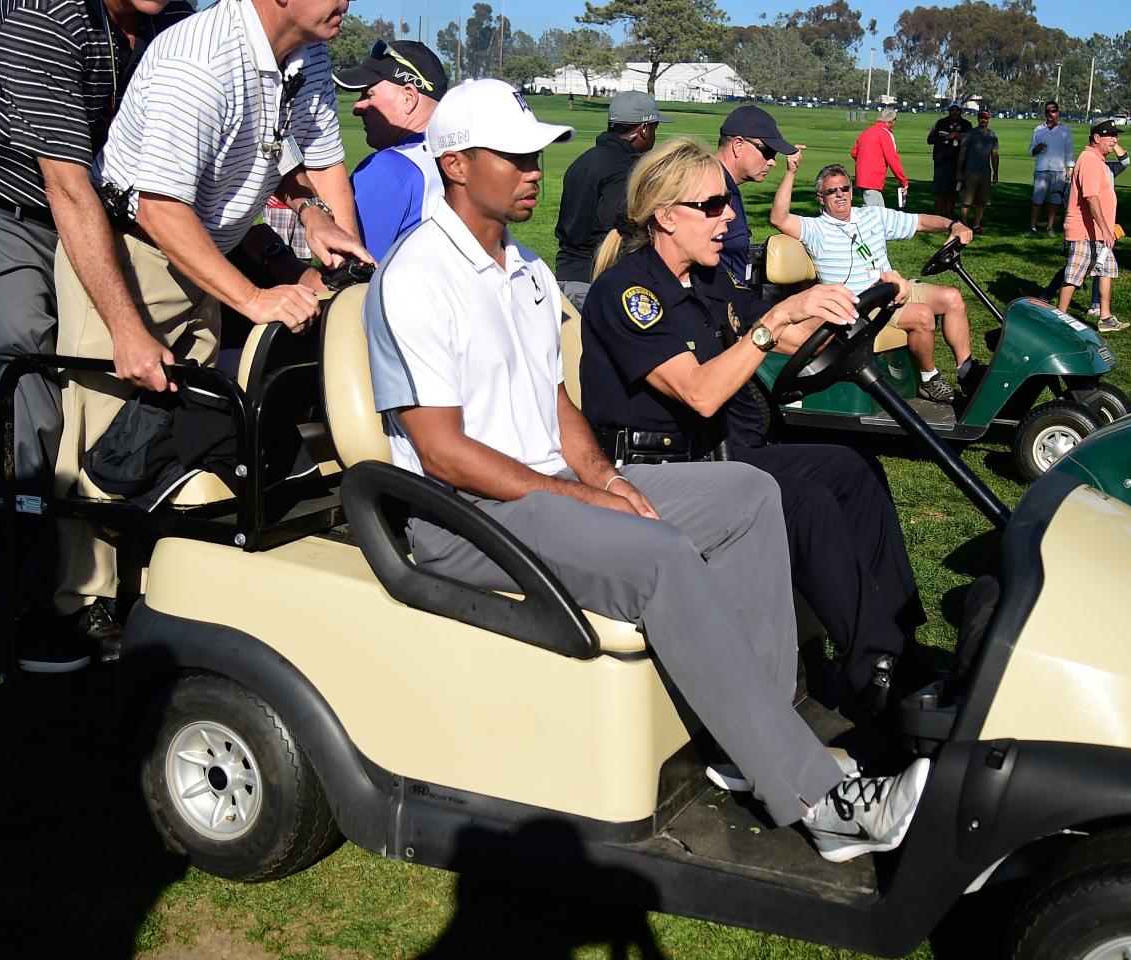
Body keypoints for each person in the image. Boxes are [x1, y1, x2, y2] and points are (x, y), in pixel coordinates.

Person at [365, 79, 931, 863]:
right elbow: (442, 452)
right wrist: (581, 496)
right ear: (456, 165)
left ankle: (757, 742)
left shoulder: (523, 271)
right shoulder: (418, 274)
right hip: (463, 513)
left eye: (539, 155)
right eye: (517, 155)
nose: (536, 169)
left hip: (535, 489)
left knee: (750, 491)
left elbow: (556, 406)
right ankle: (820, 801)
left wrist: (605, 479)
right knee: (662, 556)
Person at [51, 0, 369, 636]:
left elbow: (320, 160)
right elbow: (158, 206)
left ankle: (164, 584)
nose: (347, 0)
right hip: (128, 255)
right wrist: (253, 300)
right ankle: (86, 601)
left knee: (181, 433)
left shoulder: (306, 50)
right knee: (104, 433)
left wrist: (335, 252)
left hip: (203, 254)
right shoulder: (198, 59)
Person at [581, 137, 927, 714]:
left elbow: (781, 335)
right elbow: (701, 392)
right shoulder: (630, 293)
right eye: (710, 207)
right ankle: (875, 670)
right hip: (653, 473)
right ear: (666, 217)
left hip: (715, 456)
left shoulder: (710, 281)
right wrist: (775, 321)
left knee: (853, 466)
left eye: (727, 205)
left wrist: (843, 315)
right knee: (804, 500)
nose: (727, 218)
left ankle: (902, 636)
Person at [0, 0, 191, 674]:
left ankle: (108, 591)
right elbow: (67, 185)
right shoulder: (43, 13)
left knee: (103, 407)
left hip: (87, 219)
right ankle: (10, 620)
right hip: (1, 219)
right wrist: (127, 327)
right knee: (23, 421)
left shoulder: (173, 19)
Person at [771, 158, 977, 403]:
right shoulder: (815, 229)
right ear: (820, 198)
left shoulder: (872, 215)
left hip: (893, 288)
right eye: (831, 191)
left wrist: (952, 225)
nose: (840, 195)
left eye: (845, 188)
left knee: (952, 297)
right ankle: (928, 379)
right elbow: (779, 218)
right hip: (862, 306)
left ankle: (967, 374)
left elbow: (920, 221)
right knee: (922, 315)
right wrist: (791, 171)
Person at [554, 90, 673, 308]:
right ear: (643, 129)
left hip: (565, 276)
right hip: (596, 282)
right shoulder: (626, 169)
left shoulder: (583, 160)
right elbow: (619, 229)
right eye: (655, 127)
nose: (655, 136)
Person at [335, 38, 450, 262]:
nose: (357, 107)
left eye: (368, 94)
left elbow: (350, 277)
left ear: (409, 97)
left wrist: (272, 254)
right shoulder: (461, 159)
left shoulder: (388, 168)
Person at [1054, 121, 1128, 333]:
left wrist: (1105, 229)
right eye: (1110, 136)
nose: (1115, 140)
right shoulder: (1089, 160)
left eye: (1116, 136)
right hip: (1085, 231)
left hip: (1099, 232)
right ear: (1097, 138)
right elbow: (1091, 198)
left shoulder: (1099, 160)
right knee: (1074, 276)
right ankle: (1059, 317)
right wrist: (1105, 229)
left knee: (1106, 271)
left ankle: (1105, 317)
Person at [714, 105, 797, 282]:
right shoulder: (709, 189)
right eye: (767, 151)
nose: (773, 162)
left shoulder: (727, 185)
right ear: (738, 145)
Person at [1027, 100, 1074, 234]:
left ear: (1057, 113)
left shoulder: (1065, 131)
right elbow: (1030, 151)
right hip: (1041, 169)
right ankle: (1032, 227)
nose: (1050, 114)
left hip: (1058, 170)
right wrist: (1038, 148)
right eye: (1047, 111)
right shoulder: (1038, 129)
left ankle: (1050, 227)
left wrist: (1070, 168)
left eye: (1053, 111)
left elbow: (1069, 151)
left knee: (1055, 200)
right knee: (1037, 200)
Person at [850, 107, 909, 208]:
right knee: (875, 213)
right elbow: (893, 160)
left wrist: (865, 161)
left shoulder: (867, 132)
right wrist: (903, 180)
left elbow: (854, 152)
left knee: (875, 210)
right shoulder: (885, 134)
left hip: (861, 177)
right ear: (891, 121)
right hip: (873, 179)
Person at [955, 109, 999, 232]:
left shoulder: (992, 136)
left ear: (989, 119)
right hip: (970, 172)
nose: (983, 120)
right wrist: (959, 170)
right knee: (966, 201)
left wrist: (995, 173)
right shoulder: (970, 134)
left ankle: (976, 225)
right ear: (978, 118)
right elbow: (962, 153)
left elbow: (994, 155)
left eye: (985, 118)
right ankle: (964, 224)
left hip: (985, 173)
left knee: (982, 201)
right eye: (981, 117)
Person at [925, 103, 970, 218]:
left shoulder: (967, 125)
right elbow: (930, 140)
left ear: (961, 111)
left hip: (957, 164)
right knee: (939, 192)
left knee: (952, 193)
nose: (954, 112)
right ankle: (937, 216)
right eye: (952, 110)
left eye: (957, 110)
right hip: (941, 163)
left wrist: (962, 137)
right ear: (949, 110)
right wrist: (947, 137)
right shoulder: (941, 123)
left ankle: (949, 217)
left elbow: (971, 143)